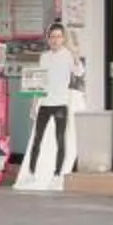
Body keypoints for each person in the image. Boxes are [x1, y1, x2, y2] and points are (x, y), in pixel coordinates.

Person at [25, 23, 80, 176]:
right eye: (53, 37)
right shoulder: (44, 57)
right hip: (45, 103)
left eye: (59, 37)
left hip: (60, 104)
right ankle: (31, 170)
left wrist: (75, 53)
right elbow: (38, 83)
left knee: (60, 139)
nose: (55, 40)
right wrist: (34, 104)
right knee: (37, 138)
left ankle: (57, 172)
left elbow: (79, 72)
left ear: (63, 39)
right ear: (48, 39)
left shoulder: (67, 55)